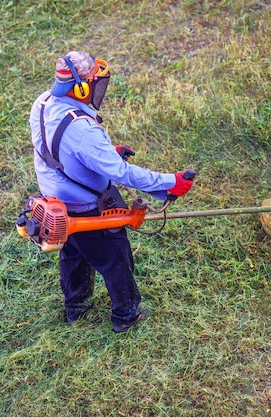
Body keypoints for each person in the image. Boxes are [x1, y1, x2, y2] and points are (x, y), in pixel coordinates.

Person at [29, 51, 193, 333]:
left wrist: (102, 155)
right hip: (87, 209)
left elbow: (56, 149)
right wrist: (169, 182)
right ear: (81, 87)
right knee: (115, 258)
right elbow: (122, 173)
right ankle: (126, 316)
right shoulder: (83, 130)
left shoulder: (42, 103)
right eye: (95, 83)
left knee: (73, 253)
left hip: (56, 204)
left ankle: (76, 309)